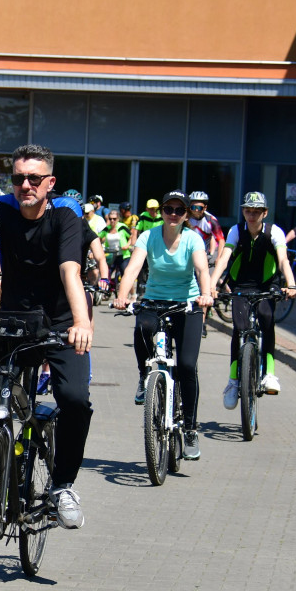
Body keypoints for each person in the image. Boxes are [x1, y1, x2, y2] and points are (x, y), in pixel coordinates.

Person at [0, 144, 94, 530]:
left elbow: (70, 271)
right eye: (19, 178)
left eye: (34, 178)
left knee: (74, 400)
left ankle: (62, 486)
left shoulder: (66, 215)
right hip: (11, 322)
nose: (25, 185)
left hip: (59, 324)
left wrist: (81, 322)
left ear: (50, 183)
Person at [113, 190, 213, 460]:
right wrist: (122, 297)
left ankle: (190, 430)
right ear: (162, 211)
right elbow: (133, 268)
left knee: (188, 366)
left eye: (179, 210)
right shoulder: (149, 236)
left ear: (186, 215)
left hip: (188, 303)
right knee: (143, 326)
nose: (173, 214)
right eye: (168, 209)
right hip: (155, 299)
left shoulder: (193, 239)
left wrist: (206, 295)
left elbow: (203, 270)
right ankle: (144, 377)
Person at [210, 192, 296, 405]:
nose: (251, 215)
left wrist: (291, 284)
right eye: (248, 211)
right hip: (241, 285)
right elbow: (224, 258)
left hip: (268, 284)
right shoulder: (235, 231)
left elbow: (283, 259)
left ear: (264, 213)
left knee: (266, 318)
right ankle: (233, 381)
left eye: (256, 211)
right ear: (243, 211)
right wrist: (211, 286)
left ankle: (269, 373)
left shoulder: (274, 232)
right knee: (239, 328)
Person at [100, 209, 131, 288]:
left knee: (125, 274)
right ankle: (108, 290)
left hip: (123, 255)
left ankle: (132, 293)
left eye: (114, 219)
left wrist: (127, 245)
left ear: (118, 219)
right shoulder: (107, 228)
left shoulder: (122, 227)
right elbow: (98, 237)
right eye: (110, 219)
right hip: (111, 255)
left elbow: (131, 236)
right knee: (106, 273)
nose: (112, 220)